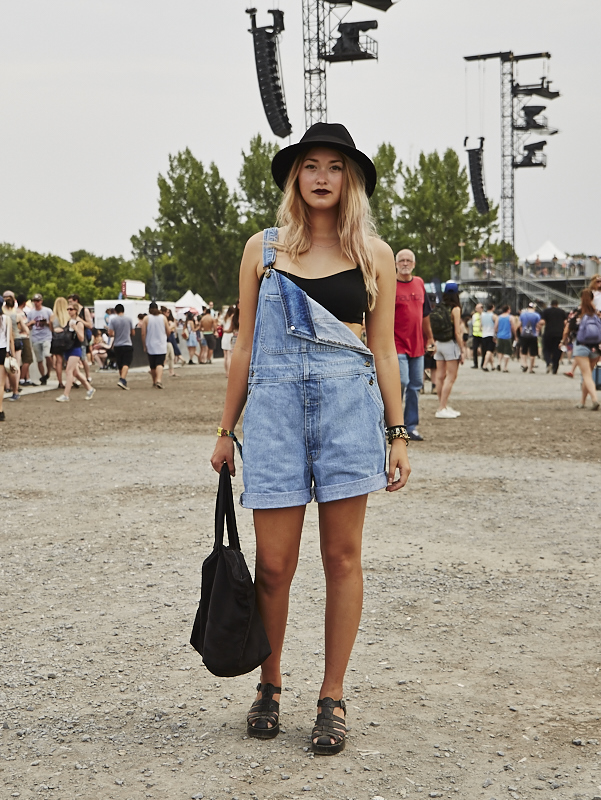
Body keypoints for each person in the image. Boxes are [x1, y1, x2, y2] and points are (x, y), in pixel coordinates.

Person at [209, 122, 409, 756]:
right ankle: (269, 685)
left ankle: (332, 696)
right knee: (274, 565)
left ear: (350, 179)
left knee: (343, 558)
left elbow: (383, 350)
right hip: (271, 413)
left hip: (349, 411)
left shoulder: (374, 254)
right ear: (295, 176)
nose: (322, 176)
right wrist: (224, 428)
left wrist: (397, 432)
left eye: (335, 166)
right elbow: (243, 346)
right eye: (310, 165)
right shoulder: (261, 250)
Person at [393, 248, 432, 441]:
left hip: (417, 344)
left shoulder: (420, 283)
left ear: (414, 264)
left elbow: (425, 315)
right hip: (396, 342)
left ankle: (411, 426)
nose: (405, 263)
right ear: (396, 264)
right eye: (402, 260)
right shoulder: (390, 284)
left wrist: (430, 338)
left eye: (409, 260)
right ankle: (394, 424)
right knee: (401, 382)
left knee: (416, 385)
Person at [563, 288, 601, 410]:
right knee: (588, 374)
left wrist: (564, 341)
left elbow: (567, 329)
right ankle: (582, 401)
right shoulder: (598, 313)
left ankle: (595, 399)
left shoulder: (576, 312)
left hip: (581, 345)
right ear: (593, 298)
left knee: (586, 375)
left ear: (580, 298)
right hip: (596, 347)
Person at [431, 283, 464, 418]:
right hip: (450, 344)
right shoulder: (455, 309)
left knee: (440, 376)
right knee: (451, 376)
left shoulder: (439, 307)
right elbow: (457, 331)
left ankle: (442, 405)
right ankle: (442, 407)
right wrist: (462, 348)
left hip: (439, 343)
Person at [53, 297, 94, 403]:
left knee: (69, 371)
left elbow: (81, 338)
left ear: (76, 311)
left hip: (75, 349)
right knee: (76, 373)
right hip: (68, 348)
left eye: (71, 309)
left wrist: (76, 328)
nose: (69, 311)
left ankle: (66, 394)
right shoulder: (68, 321)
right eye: (68, 309)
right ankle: (89, 388)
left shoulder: (78, 323)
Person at [138, 302, 172, 388]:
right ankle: (159, 380)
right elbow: (168, 331)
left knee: (152, 365)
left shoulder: (146, 318)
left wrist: (144, 344)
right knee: (160, 363)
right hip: (161, 344)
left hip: (150, 344)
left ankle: (154, 381)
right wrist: (166, 336)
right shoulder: (163, 318)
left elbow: (143, 333)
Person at [3, 291, 28, 400]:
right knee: (15, 365)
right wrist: (20, 332)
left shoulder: (2, 315)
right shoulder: (17, 315)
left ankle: (7, 386)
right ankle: (16, 388)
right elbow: (26, 329)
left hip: (5, 341)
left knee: (5, 365)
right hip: (17, 339)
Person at [26, 293, 54, 386]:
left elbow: (52, 323)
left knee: (47, 354)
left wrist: (47, 323)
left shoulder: (47, 311)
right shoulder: (31, 313)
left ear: (41, 301)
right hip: (36, 337)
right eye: (34, 301)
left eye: (37, 301)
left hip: (46, 336)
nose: (36, 303)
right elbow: (27, 327)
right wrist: (31, 323)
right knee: (39, 359)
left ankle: (48, 372)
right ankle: (43, 376)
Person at [107, 304, 134, 389]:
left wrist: (116, 334)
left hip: (117, 344)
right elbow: (133, 332)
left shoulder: (113, 320)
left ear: (115, 311)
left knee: (120, 363)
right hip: (127, 343)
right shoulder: (129, 319)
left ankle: (123, 380)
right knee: (126, 363)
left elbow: (110, 333)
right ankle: (122, 379)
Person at [538, 299, 567, 374]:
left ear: (551, 304)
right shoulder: (562, 312)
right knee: (557, 350)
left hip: (548, 333)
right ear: (557, 304)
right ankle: (555, 367)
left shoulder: (546, 311)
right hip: (559, 333)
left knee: (546, 349)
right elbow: (565, 322)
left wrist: (538, 325)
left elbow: (543, 322)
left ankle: (548, 362)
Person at [517, 302, 541, 374]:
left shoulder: (523, 314)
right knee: (532, 353)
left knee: (523, 351)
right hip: (533, 335)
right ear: (534, 308)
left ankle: (524, 364)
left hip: (524, 334)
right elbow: (538, 325)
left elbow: (518, 325)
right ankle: (531, 368)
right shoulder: (537, 315)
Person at [221, 302, 239, 377]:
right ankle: (229, 372)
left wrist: (223, 330)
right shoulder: (233, 317)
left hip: (224, 336)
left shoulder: (224, 317)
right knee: (229, 355)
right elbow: (231, 329)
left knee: (225, 356)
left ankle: (226, 371)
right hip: (230, 335)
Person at [494, 304, 514, 371]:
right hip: (507, 336)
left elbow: (495, 327)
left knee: (500, 351)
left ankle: (499, 363)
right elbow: (513, 327)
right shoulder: (510, 317)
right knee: (507, 352)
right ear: (508, 310)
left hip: (499, 335)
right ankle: (505, 367)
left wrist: (495, 334)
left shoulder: (498, 317)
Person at [479, 303, 496, 371]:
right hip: (491, 334)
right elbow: (496, 326)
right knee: (489, 351)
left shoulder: (482, 316)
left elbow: (480, 326)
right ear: (492, 308)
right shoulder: (494, 316)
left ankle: (492, 366)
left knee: (488, 351)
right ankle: (484, 365)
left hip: (484, 335)